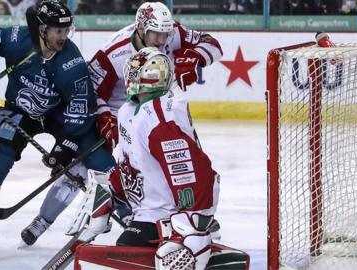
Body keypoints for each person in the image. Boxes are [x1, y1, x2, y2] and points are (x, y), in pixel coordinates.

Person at [21, 1, 223, 245]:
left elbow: (212, 44)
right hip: (125, 110)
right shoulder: (115, 51)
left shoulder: (173, 33)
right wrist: (105, 117)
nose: (161, 40)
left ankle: (191, 215)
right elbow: (90, 90)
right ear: (140, 28)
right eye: (155, 34)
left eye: (164, 34)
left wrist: (195, 57)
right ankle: (45, 219)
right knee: (87, 167)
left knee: (180, 157)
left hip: (164, 106)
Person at [69, 47, 248, 269]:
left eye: (134, 72)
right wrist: (113, 191)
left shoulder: (160, 119)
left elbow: (194, 172)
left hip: (168, 214)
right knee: (123, 251)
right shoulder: (129, 111)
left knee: (125, 252)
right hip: (147, 210)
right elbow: (131, 163)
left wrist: (194, 226)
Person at [0, 0, 115, 251]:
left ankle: (136, 215)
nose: (64, 36)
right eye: (58, 30)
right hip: (20, 110)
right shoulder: (15, 39)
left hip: (61, 116)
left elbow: (81, 107)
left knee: (101, 160)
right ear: (42, 29)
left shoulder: (72, 61)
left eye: (67, 30)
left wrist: (65, 146)